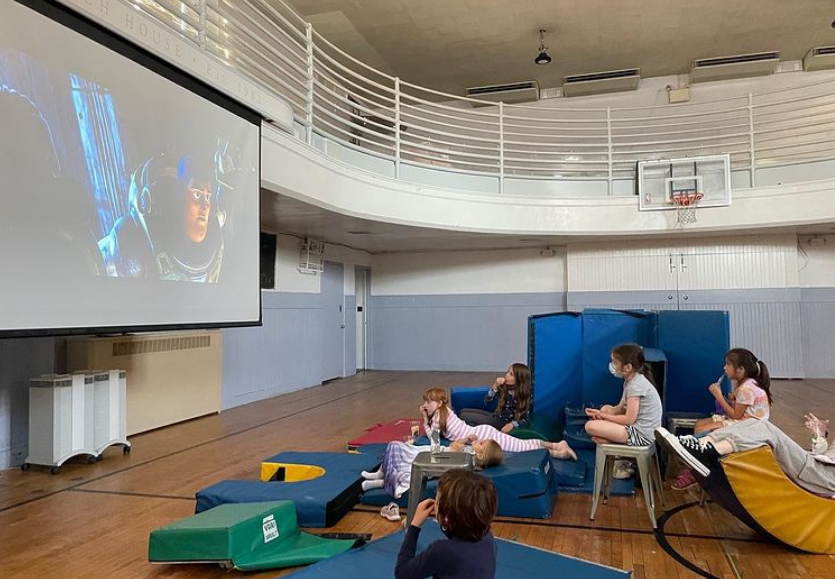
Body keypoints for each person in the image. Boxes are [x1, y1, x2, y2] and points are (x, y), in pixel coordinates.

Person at [98, 150, 226, 282]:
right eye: (197, 195)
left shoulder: (212, 248)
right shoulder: (129, 247)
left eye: (207, 197)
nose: (205, 206)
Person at [656, 413, 835, 498]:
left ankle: (709, 451)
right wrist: (819, 435)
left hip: (824, 478)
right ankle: (701, 444)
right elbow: (826, 456)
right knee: (754, 422)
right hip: (817, 468)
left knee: (766, 428)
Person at [672, 348, 772, 490]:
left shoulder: (746, 388)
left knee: (701, 430)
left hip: (747, 427)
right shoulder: (746, 384)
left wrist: (718, 396)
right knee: (700, 424)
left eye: (728, 364)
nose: (724, 368)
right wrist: (728, 400)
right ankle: (696, 466)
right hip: (744, 421)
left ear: (740, 369)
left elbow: (736, 415)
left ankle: (697, 471)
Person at [394, 470, 498, 579]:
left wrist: (414, 526)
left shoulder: (441, 551)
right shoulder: (488, 539)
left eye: (437, 499)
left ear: (447, 518)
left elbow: (402, 573)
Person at [421, 388, 576, 460]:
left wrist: (425, 420)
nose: (425, 405)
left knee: (520, 448)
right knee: (519, 443)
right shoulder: (446, 411)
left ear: (439, 403)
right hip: (482, 431)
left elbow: (433, 439)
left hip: (482, 437)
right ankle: (555, 445)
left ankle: (557, 452)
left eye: (428, 402)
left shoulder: (437, 419)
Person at [584, 344, 663, 480]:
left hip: (641, 434)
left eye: (615, 363)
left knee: (590, 426)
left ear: (628, 367)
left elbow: (628, 420)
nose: (612, 366)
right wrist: (602, 413)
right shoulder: (630, 381)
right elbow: (620, 408)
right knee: (605, 409)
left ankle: (615, 445)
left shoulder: (636, 385)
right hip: (636, 428)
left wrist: (603, 416)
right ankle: (612, 441)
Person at [360, 438, 504, 500]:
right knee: (396, 446)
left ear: (481, 454)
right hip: (434, 453)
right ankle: (380, 473)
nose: (479, 441)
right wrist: (459, 444)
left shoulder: (469, 460)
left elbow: (452, 465)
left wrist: (454, 450)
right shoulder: (469, 451)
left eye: (482, 443)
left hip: (433, 460)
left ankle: (381, 482)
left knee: (406, 466)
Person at [460, 363, 532, 433]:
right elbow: (487, 401)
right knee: (463, 411)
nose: (507, 375)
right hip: (495, 416)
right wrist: (495, 387)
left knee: (464, 416)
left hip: (501, 423)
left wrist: (512, 425)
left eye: (511, 374)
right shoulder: (504, 387)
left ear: (519, 379)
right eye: (508, 372)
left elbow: (526, 419)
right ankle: (473, 431)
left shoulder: (523, 396)